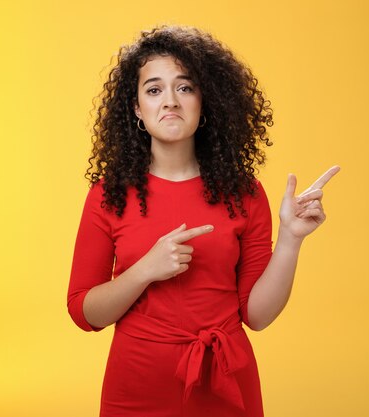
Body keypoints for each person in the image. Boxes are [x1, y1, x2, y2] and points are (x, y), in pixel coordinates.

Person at [67, 25, 339, 417]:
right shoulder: (107, 195)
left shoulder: (245, 192)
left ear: (204, 103)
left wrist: (292, 240)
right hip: (137, 386)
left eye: (185, 87)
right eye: (154, 89)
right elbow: (83, 312)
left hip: (226, 383)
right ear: (136, 109)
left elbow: (257, 316)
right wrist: (145, 270)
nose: (170, 101)